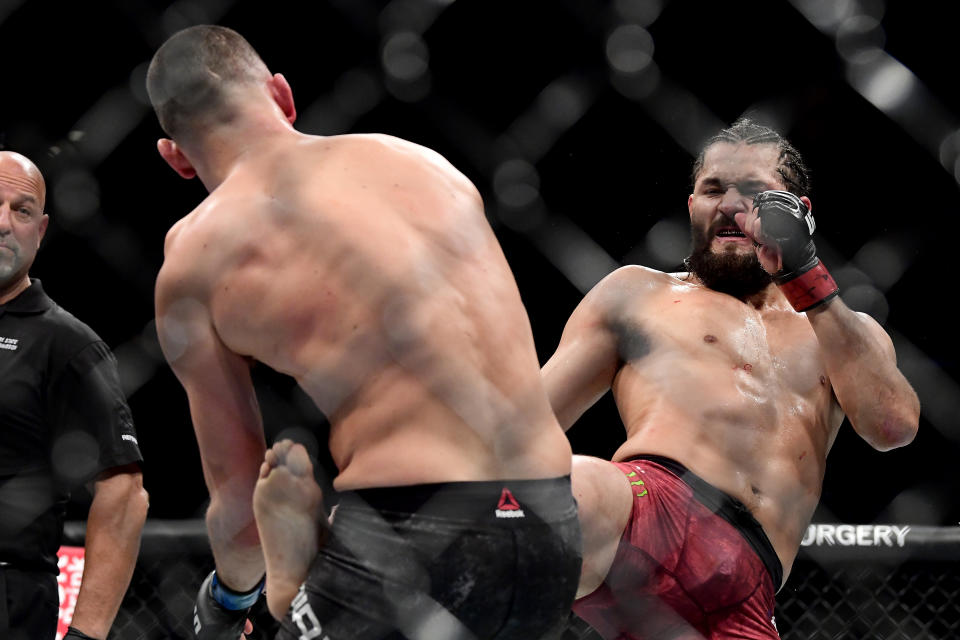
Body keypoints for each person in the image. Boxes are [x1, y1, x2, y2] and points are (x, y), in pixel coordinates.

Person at [146, 24, 581, 640]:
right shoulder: (423, 162)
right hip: (552, 527)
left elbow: (241, 511)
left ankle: (288, 592)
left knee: (258, 605)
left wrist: (225, 599)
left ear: (178, 158)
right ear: (282, 95)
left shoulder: (194, 258)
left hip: (408, 535)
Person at [542, 119, 921, 639]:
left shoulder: (845, 333)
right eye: (713, 190)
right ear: (692, 205)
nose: (730, 205)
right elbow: (528, 423)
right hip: (648, 510)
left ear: (798, 214)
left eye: (755, 193)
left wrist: (806, 277)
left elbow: (893, 427)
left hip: (748, 586)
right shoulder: (637, 294)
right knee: (556, 495)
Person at [0, 150, 149, 640]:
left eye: (21, 211)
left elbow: (123, 492)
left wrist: (85, 636)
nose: (3, 223)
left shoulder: (67, 344)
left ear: (40, 232)